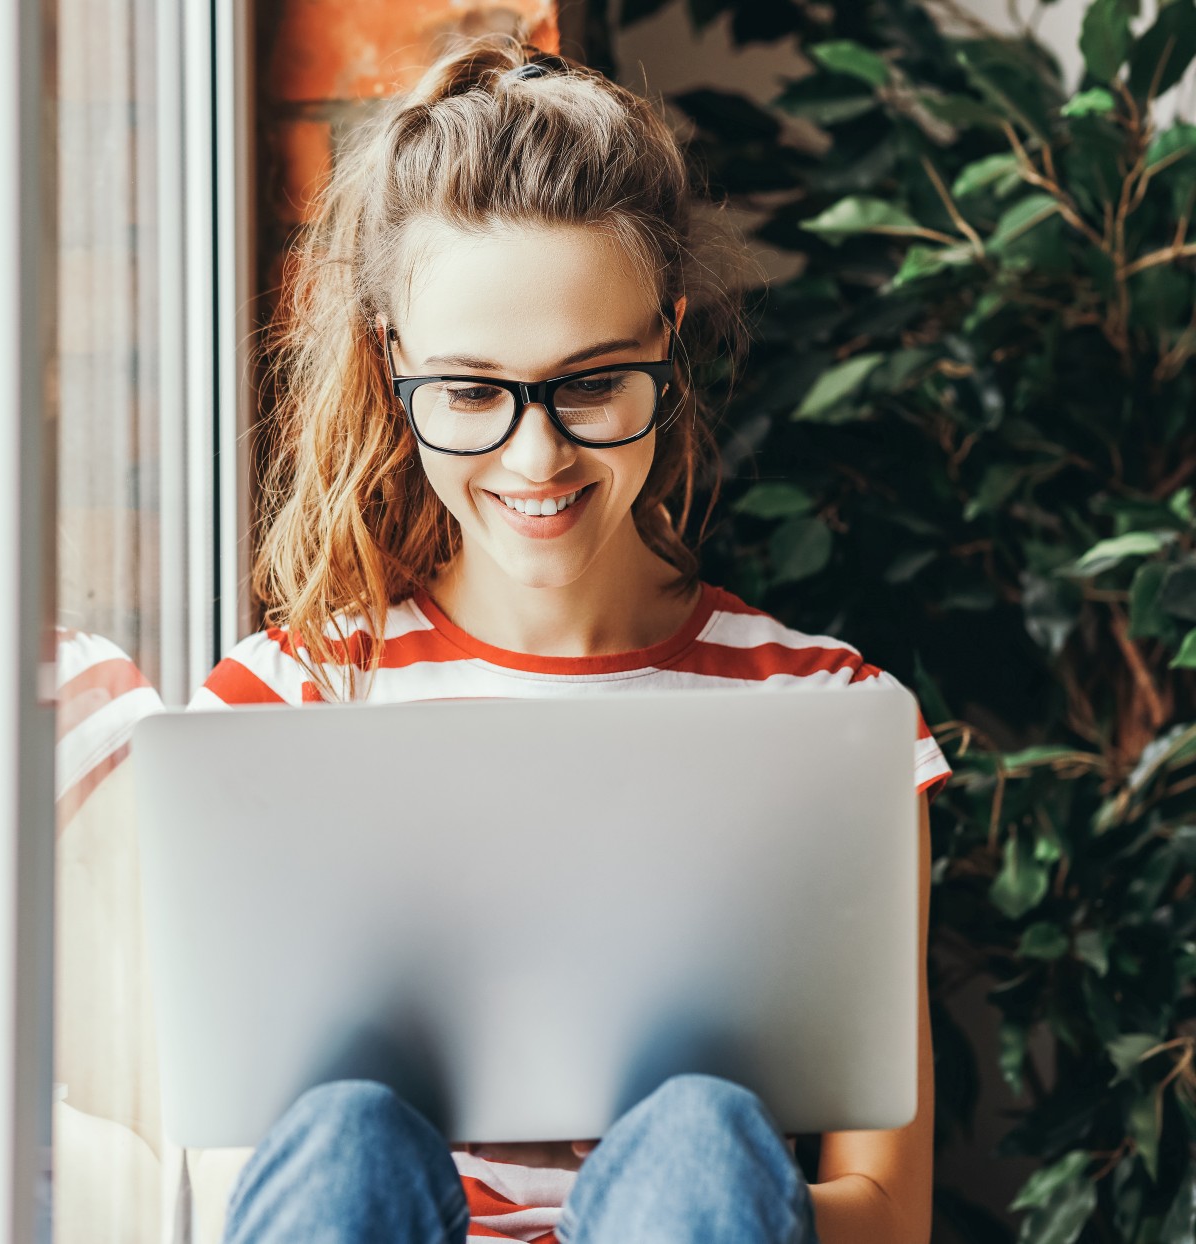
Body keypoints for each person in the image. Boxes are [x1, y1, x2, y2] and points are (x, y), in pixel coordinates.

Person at [186, 34, 952, 1244]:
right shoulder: (282, 705)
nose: (536, 459)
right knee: (343, 1136)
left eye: (592, 383)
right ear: (395, 365)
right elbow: (235, 1176)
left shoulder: (827, 715)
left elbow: (886, 1212)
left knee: (700, 1128)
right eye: (473, 391)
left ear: (671, 338)